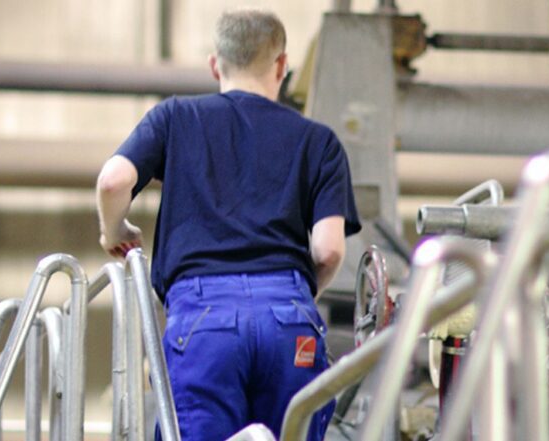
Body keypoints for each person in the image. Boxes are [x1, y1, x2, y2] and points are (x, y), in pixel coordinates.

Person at [95, 8, 361, 441]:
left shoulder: (175, 117)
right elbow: (329, 251)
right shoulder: (319, 141)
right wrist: (291, 297)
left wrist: (114, 232)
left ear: (215, 63)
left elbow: (112, 181)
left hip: (203, 319)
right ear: (281, 66)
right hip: (287, 318)